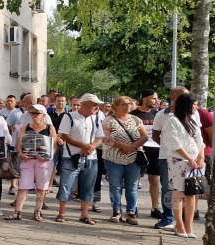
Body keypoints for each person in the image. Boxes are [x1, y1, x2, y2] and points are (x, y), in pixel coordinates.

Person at [56, 93, 106, 224]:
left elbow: (100, 137)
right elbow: (64, 135)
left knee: (88, 186)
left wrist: (91, 147)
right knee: (66, 185)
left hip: (91, 158)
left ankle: (84, 214)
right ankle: (62, 213)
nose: (97, 108)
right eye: (94, 105)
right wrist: (83, 145)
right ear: (84, 105)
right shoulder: (69, 116)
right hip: (71, 157)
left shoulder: (96, 118)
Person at [153, 86, 198, 230]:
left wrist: (199, 157)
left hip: (191, 161)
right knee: (169, 189)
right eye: (183, 95)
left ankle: (185, 222)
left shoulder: (193, 116)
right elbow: (156, 135)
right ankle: (168, 218)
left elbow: (198, 138)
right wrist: (168, 147)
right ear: (173, 96)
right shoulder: (162, 115)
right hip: (169, 158)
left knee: (189, 191)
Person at [5, 104, 56, 221]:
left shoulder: (50, 128)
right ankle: (17, 212)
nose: (34, 116)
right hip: (28, 160)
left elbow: (54, 145)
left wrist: (48, 156)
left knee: (41, 187)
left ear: (43, 115)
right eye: (32, 113)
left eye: (37, 113)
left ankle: (38, 211)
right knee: (23, 185)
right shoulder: (26, 127)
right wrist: (21, 153)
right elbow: (19, 142)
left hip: (43, 162)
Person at [163, 93, 204, 238]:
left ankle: (189, 226)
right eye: (194, 104)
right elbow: (174, 143)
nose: (196, 107)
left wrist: (200, 158)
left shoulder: (192, 121)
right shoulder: (172, 121)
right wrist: (189, 158)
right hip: (178, 161)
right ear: (186, 105)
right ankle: (179, 224)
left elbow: (200, 142)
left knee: (192, 193)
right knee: (178, 193)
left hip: (195, 163)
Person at [102, 96, 148, 225]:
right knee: (115, 186)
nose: (127, 106)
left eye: (128, 104)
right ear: (115, 106)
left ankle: (131, 212)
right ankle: (116, 211)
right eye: (123, 104)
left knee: (132, 186)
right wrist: (123, 146)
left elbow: (144, 136)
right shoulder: (108, 121)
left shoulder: (136, 120)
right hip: (113, 158)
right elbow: (106, 139)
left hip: (133, 158)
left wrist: (131, 147)